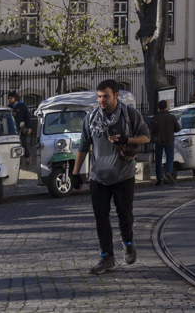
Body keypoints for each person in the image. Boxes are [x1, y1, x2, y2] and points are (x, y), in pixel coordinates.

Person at [71, 79, 150, 274]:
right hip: (99, 177)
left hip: (123, 175)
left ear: (116, 95)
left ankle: (128, 242)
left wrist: (126, 139)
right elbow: (83, 147)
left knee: (125, 215)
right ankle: (106, 257)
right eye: (99, 97)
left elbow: (146, 137)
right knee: (101, 219)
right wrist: (75, 173)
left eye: (105, 96)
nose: (101, 100)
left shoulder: (130, 115)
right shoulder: (91, 118)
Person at [148, 100, 180, 186]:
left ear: (158, 108)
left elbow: (150, 131)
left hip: (158, 141)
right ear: (166, 107)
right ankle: (169, 172)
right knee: (170, 158)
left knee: (158, 160)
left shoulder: (155, 118)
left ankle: (160, 178)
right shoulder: (171, 117)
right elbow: (178, 129)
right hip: (169, 140)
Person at [8, 90, 32, 167]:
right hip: (12, 130)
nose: (9, 100)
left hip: (22, 128)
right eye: (9, 98)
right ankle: (18, 161)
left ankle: (27, 157)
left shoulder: (22, 106)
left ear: (15, 98)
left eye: (11, 98)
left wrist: (29, 127)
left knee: (23, 144)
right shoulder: (9, 107)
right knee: (15, 145)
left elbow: (27, 117)